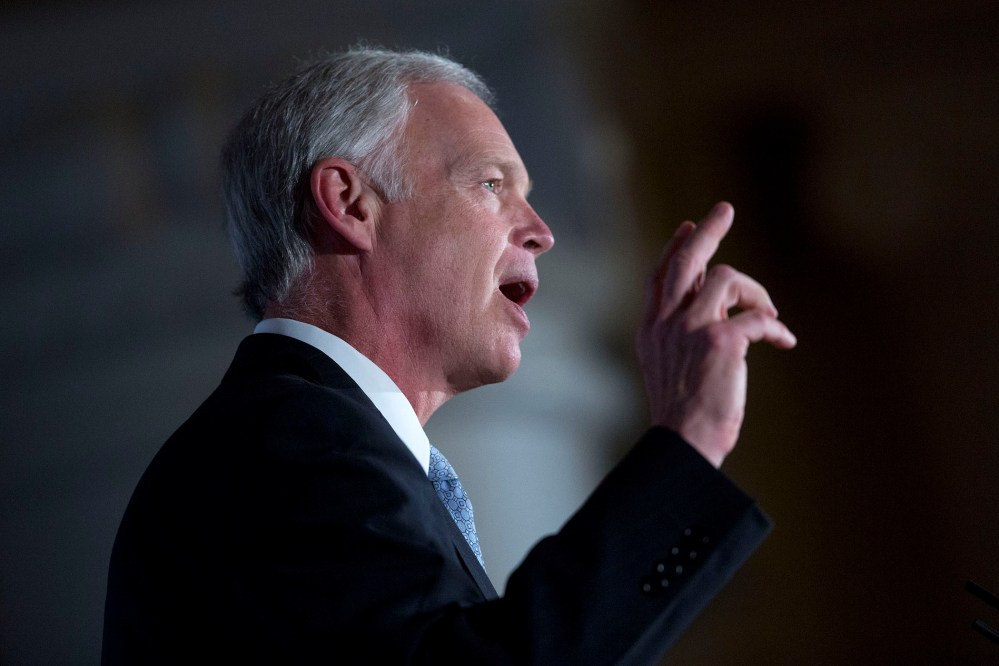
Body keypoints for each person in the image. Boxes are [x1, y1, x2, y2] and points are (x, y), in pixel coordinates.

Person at [102, 47, 796, 664]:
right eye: (491, 185)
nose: (541, 232)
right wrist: (685, 441)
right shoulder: (293, 442)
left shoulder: (307, 437)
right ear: (349, 203)